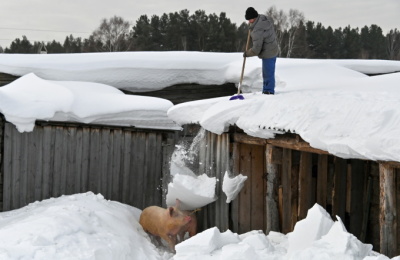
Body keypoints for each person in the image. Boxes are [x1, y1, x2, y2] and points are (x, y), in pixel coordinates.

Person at [244, 7, 279, 95]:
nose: (249, 21)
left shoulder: (257, 30)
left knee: (267, 73)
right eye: (248, 20)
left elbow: (256, 50)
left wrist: (247, 53)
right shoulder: (264, 18)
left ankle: (268, 91)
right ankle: (267, 90)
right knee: (269, 72)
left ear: (255, 17)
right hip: (273, 49)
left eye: (251, 19)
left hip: (268, 52)